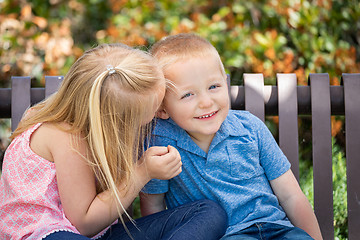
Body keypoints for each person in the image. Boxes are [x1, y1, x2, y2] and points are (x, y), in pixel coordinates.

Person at [0, 43, 227, 240]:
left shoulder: (96, 129)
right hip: (48, 234)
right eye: (154, 109)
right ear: (116, 120)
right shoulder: (66, 136)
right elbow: (84, 225)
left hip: (104, 234)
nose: (162, 113)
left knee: (209, 213)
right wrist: (142, 172)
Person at [140, 33, 323, 240]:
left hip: (277, 229)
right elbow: (154, 207)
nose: (207, 102)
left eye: (213, 86)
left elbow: (291, 195)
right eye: (188, 95)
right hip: (228, 235)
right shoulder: (161, 143)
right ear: (162, 109)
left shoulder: (250, 128)